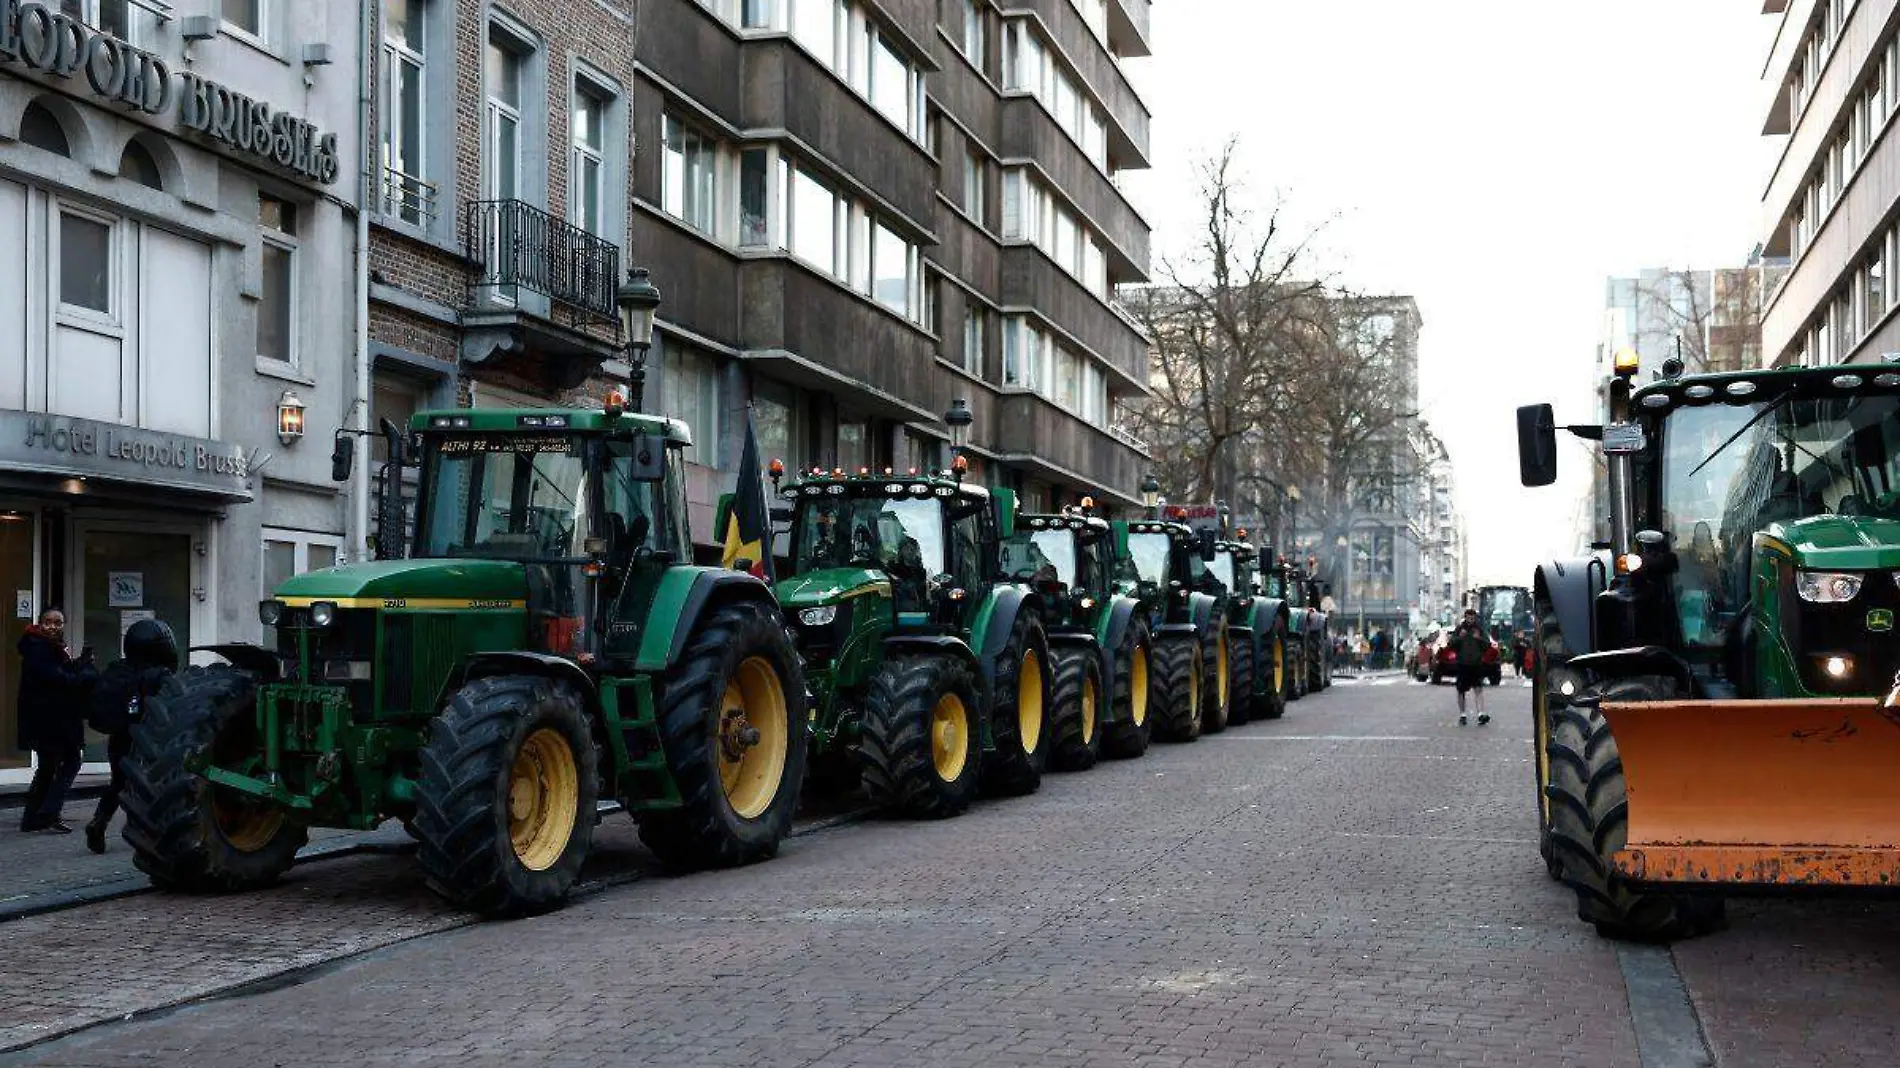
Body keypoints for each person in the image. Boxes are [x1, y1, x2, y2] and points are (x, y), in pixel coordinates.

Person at [84, 618, 179, 854]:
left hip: (120, 737)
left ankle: (99, 821)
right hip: (149, 738)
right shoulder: (158, 675)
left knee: (119, 783)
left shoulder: (118, 669)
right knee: (149, 786)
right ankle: (145, 832)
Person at [17, 607, 98, 834]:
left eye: (58, 623)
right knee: (71, 760)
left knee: (48, 767)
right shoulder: (38, 648)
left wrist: (80, 663)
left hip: (49, 718)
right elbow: (57, 679)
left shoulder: (46, 647)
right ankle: (48, 811)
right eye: (48, 622)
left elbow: (60, 674)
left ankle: (33, 817)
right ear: (41, 624)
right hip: (50, 719)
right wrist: (84, 673)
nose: (53, 627)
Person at [1451, 608, 1489, 726]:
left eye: (1472, 618)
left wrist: (1479, 639)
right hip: (1462, 664)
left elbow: (1487, 644)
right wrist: (1459, 637)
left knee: (1478, 688)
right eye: (1468, 617)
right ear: (1465, 617)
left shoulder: (1479, 629)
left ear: (1475, 618)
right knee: (1461, 690)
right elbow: (1451, 644)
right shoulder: (1459, 629)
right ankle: (1463, 714)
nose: (1470, 620)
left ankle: (1480, 714)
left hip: (1476, 663)